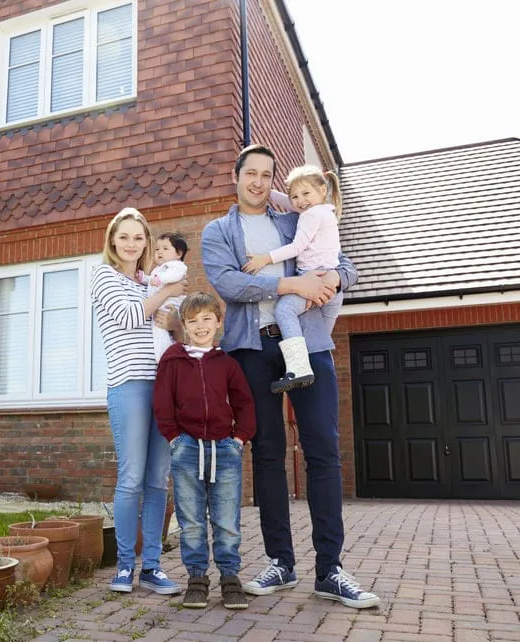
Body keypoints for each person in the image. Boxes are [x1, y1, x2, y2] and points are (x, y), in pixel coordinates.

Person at [201, 144, 380, 609]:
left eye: (266, 174)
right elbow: (230, 284)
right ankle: (280, 561)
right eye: (250, 173)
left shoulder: (293, 218)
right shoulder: (218, 231)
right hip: (254, 348)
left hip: (309, 342)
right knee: (267, 453)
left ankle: (330, 570)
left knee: (323, 448)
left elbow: (344, 263)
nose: (258, 182)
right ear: (235, 176)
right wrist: (292, 284)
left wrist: (336, 280)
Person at [90, 207, 186, 595]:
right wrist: (166, 293)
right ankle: (124, 567)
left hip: (162, 385)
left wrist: (172, 311)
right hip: (128, 385)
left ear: (147, 243)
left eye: (139, 237)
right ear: (113, 240)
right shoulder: (104, 275)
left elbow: (174, 328)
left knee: (157, 479)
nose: (132, 244)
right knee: (131, 478)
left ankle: (153, 567)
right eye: (125, 236)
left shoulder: (151, 280)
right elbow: (130, 318)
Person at [153, 292, 256, 610]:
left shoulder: (227, 363)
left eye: (207, 319)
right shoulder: (172, 359)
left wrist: (239, 439)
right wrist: (173, 438)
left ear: (218, 322)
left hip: (224, 450)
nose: (200, 326)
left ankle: (230, 578)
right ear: (183, 325)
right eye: (193, 321)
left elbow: (244, 403)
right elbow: (162, 402)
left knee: (226, 519)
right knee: (192, 520)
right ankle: (197, 579)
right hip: (186, 448)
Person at [242, 165, 344, 393]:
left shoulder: (310, 216)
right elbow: (291, 204)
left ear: (321, 190)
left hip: (316, 280)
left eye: (306, 194)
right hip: (331, 286)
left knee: (284, 311)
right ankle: (311, 368)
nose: (300, 201)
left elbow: (297, 246)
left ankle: (298, 368)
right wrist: (268, 191)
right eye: (295, 196)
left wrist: (264, 259)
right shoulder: (324, 210)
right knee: (318, 344)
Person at [149, 232, 189, 362]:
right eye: (157, 249)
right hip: (160, 305)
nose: (160, 252)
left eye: (165, 248)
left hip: (168, 306)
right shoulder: (158, 269)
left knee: (160, 331)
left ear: (179, 254)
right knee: (160, 331)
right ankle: (165, 357)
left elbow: (174, 276)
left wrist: (159, 279)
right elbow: (151, 282)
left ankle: (164, 358)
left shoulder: (177, 266)